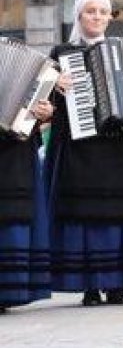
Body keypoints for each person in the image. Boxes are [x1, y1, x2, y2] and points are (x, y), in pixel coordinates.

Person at [46, 0, 123, 306]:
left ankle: (119, 284)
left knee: (121, 213)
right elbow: (42, 104)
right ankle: (90, 286)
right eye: (90, 11)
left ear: (110, 18)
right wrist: (57, 86)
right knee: (89, 216)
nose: (97, 17)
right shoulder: (62, 54)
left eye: (103, 12)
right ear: (79, 17)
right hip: (83, 149)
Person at [0, 81, 53, 313]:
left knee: (14, 215)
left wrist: (45, 112)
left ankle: (8, 292)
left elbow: (43, 105)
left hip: (16, 150)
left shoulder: (29, 60)